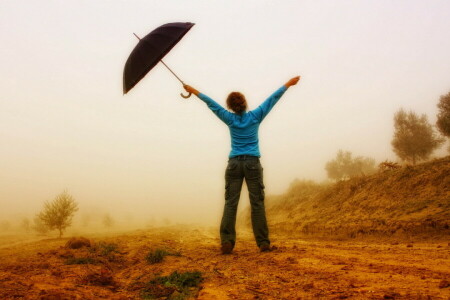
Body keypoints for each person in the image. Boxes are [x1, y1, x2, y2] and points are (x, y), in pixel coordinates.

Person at [183, 76, 301, 254]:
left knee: (231, 203)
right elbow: (273, 99)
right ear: (245, 103)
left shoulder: (229, 118)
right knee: (257, 204)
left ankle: (227, 242)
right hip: (253, 163)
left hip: (234, 165)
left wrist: (193, 91)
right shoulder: (256, 116)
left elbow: (211, 103)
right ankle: (263, 243)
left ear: (230, 106)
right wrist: (287, 84)